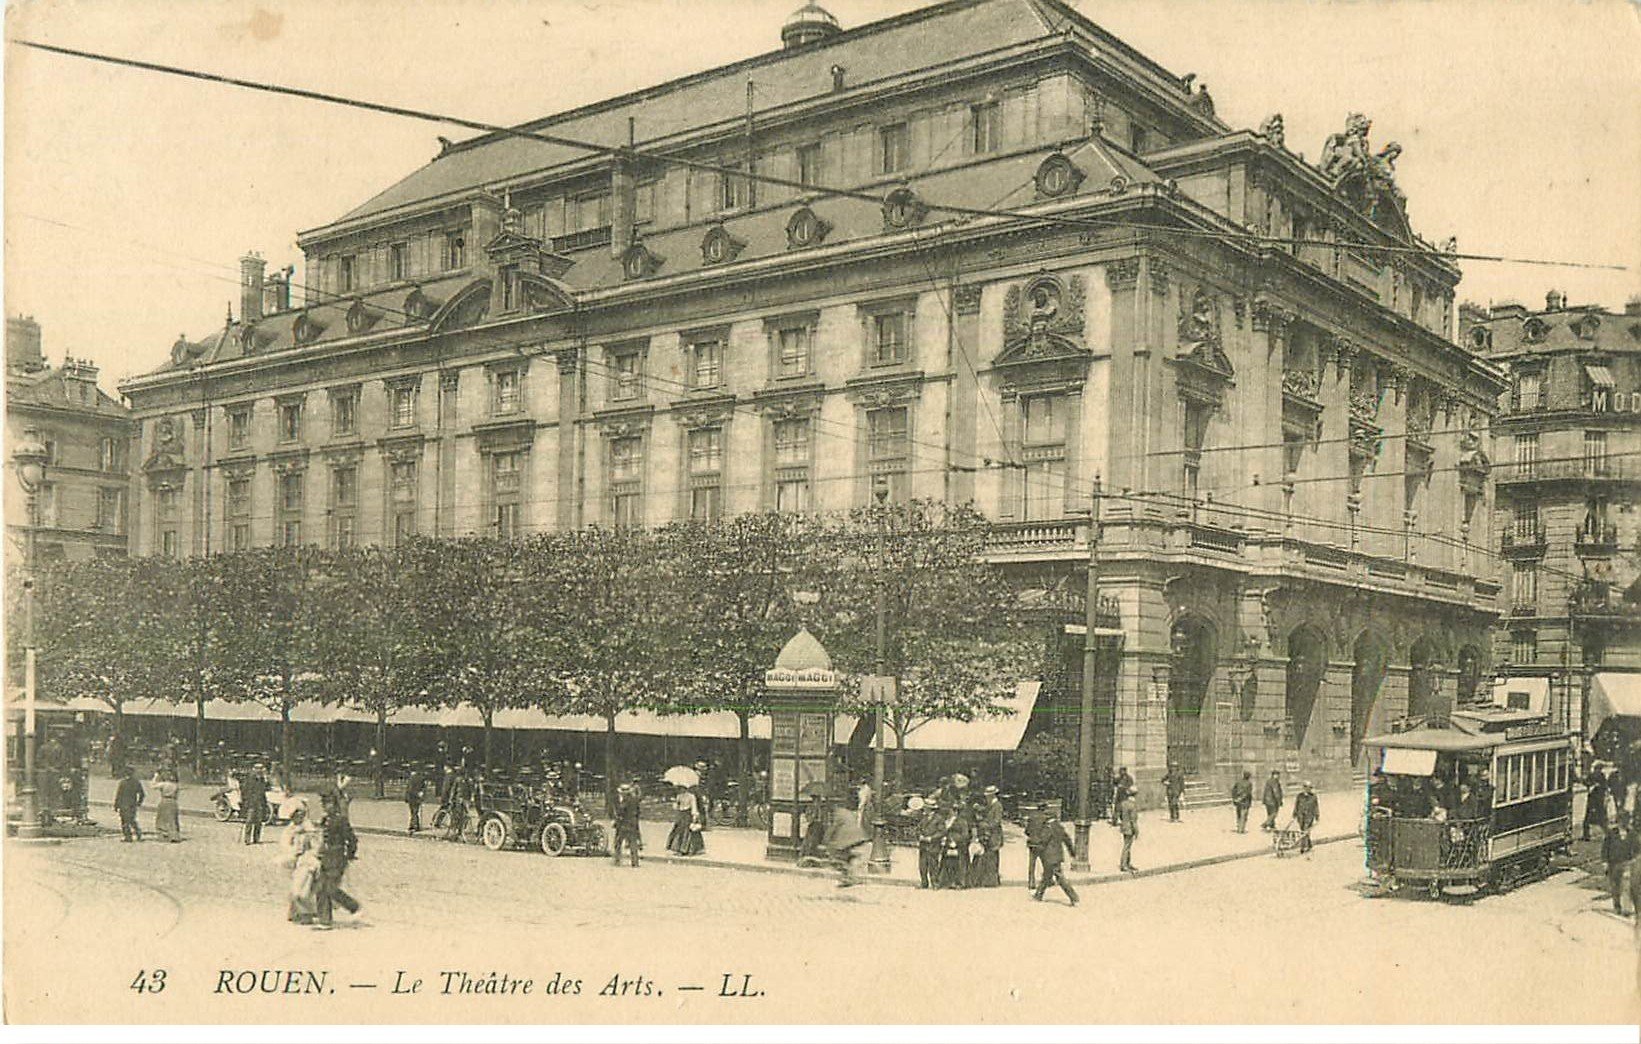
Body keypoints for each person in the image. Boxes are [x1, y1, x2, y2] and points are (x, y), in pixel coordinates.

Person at [313, 794, 360, 930]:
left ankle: (353, 906)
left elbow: (351, 839)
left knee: (331, 888)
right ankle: (324, 921)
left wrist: (350, 855)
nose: (326, 807)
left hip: (337, 856)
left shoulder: (341, 820)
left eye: (328, 804)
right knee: (321, 887)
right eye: (324, 804)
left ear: (334, 805)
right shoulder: (325, 820)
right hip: (325, 856)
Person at [281, 806, 322, 925]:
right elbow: (284, 844)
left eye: (300, 815)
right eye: (295, 815)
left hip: (306, 861)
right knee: (294, 887)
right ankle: (294, 912)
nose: (297, 818)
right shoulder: (290, 829)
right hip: (293, 860)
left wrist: (310, 853)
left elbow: (316, 846)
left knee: (302, 888)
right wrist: (293, 850)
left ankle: (306, 914)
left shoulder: (309, 830)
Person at [1030, 810, 1080, 906]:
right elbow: (1067, 840)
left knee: (1059, 878)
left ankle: (1073, 897)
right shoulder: (1059, 827)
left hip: (1049, 857)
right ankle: (1038, 895)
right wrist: (1072, 853)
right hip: (1057, 856)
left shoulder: (1048, 828)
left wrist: (1035, 843)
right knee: (1046, 876)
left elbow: (1043, 840)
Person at [824, 793, 871, 888]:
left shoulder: (837, 813)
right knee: (849, 858)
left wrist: (826, 839)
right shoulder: (847, 812)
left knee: (839, 857)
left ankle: (848, 877)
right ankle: (850, 876)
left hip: (849, 839)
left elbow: (833, 828)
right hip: (858, 836)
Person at [971, 786, 1005, 887]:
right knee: (986, 856)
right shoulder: (991, 804)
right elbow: (986, 811)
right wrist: (979, 809)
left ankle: (992, 881)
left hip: (994, 835)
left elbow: (997, 821)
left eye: (988, 796)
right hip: (988, 834)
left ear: (992, 795)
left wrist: (986, 825)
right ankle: (985, 880)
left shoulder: (997, 805)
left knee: (992, 857)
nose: (986, 798)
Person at [937, 804, 972, 890]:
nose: (950, 812)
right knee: (947, 863)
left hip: (959, 846)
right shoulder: (946, 821)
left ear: (956, 812)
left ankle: (960, 882)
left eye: (952, 811)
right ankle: (946, 882)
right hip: (947, 844)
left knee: (959, 864)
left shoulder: (962, 821)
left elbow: (965, 835)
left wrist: (956, 841)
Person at [1603, 824, 1634, 916]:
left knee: (1626, 886)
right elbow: (1605, 848)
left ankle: (1626, 909)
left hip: (1627, 863)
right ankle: (1617, 907)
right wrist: (1605, 862)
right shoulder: (1611, 833)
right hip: (1613, 864)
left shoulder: (1632, 834)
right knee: (1615, 887)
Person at [667, 785, 704, 856]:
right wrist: (675, 804)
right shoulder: (679, 796)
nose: (681, 790)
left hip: (688, 814)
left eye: (682, 788)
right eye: (680, 788)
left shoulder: (691, 796)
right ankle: (679, 848)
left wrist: (694, 815)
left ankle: (688, 849)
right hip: (681, 814)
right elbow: (676, 807)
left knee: (688, 832)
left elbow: (694, 806)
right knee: (679, 830)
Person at [612, 782, 643, 868]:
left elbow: (621, 812)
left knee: (618, 842)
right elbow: (638, 811)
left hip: (624, 824)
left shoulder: (625, 801)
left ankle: (617, 860)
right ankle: (635, 862)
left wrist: (617, 818)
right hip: (633, 823)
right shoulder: (635, 800)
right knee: (633, 843)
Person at [916, 798, 944, 889]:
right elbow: (918, 828)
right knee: (922, 865)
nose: (924, 809)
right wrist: (919, 835)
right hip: (923, 845)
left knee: (933, 865)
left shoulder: (939, 819)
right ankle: (924, 882)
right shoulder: (923, 818)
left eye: (926, 808)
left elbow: (942, 832)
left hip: (933, 845)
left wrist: (931, 838)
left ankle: (935, 883)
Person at [114, 766, 145, 842]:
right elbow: (142, 794)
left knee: (124, 821)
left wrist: (116, 805)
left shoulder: (123, 783)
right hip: (132, 804)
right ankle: (138, 833)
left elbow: (119, 795)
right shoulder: (136, 782)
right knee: (132, 820)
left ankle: (128, 836)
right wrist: (139, 803)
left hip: (123, 805)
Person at [151, 769, 182, 843]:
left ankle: (163, 834)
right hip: (173, 801)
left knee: (162, 818)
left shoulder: (164, 784)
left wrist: (156, 776)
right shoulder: (176, 785)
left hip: (165, 800)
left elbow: (153, 786)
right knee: (173, 819)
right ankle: (174, 835)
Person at [1024, 804, 1050, 890]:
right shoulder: (1046, 818)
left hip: (1032, 843)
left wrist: (1032, 836)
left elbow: (1026, 831)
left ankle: (1031, 881)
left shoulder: (1031, 817)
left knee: (1032, 863)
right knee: (1046, 862)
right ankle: (1048, 880)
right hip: (1042, 843)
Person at [241, 765, 269, 845]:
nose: (259, 771)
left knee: (259, 821)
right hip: (251, 803)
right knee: (249, 821)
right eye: (258, 769)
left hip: (260, 802)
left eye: (261, 769)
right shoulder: (250, 778)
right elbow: (245, 790)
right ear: (254, 769)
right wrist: (246, 801)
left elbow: (265, 789)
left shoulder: (262, 779)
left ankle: (256, 839)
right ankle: (247, 839)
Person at [1293, 781, 1320, 855]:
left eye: (1309, 788)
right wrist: (1294, 813)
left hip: (1309, 816)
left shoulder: (1313, 796)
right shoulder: (1299, 796)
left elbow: (1316, 807)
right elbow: (1296, 805)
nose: (1307, 789)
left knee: (1305, 830)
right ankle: (1309, 844)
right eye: (1306, 787)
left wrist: (1317, 815)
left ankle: (1302, 847)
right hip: (1300, 815)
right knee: (1303, 830)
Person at [1584, 764, 1610, 841]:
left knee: (1594, 817)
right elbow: (1586, 782)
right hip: (1595, 799)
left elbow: (1604, 786)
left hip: (1597, 799)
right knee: (1599, 817)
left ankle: (1587, 835)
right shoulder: (1597, 776)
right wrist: (1592, 785)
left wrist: (1596, 786)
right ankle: (1587, 835)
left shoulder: (1599, 776)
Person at [1117, 787, 1140, 872]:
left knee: (1127, 845)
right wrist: (1136, 831)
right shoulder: (1132, 805)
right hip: (1129, 828)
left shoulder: (1123, 803)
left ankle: (1127, 863)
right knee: (1127, 846)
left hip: (1124, 826)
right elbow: (1133, 820)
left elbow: (1120, 815)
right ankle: (1124, 865)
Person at [405, 768, 427, 835]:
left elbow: (409, 789)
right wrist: (421, 794)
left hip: (412, 797)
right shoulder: (421, 778)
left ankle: (413, 826)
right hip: (418, 797)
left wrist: (406, 797)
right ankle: (416, 825)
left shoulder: (411, 778)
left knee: (413, 812)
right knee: (416, 811)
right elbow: (423, 788)